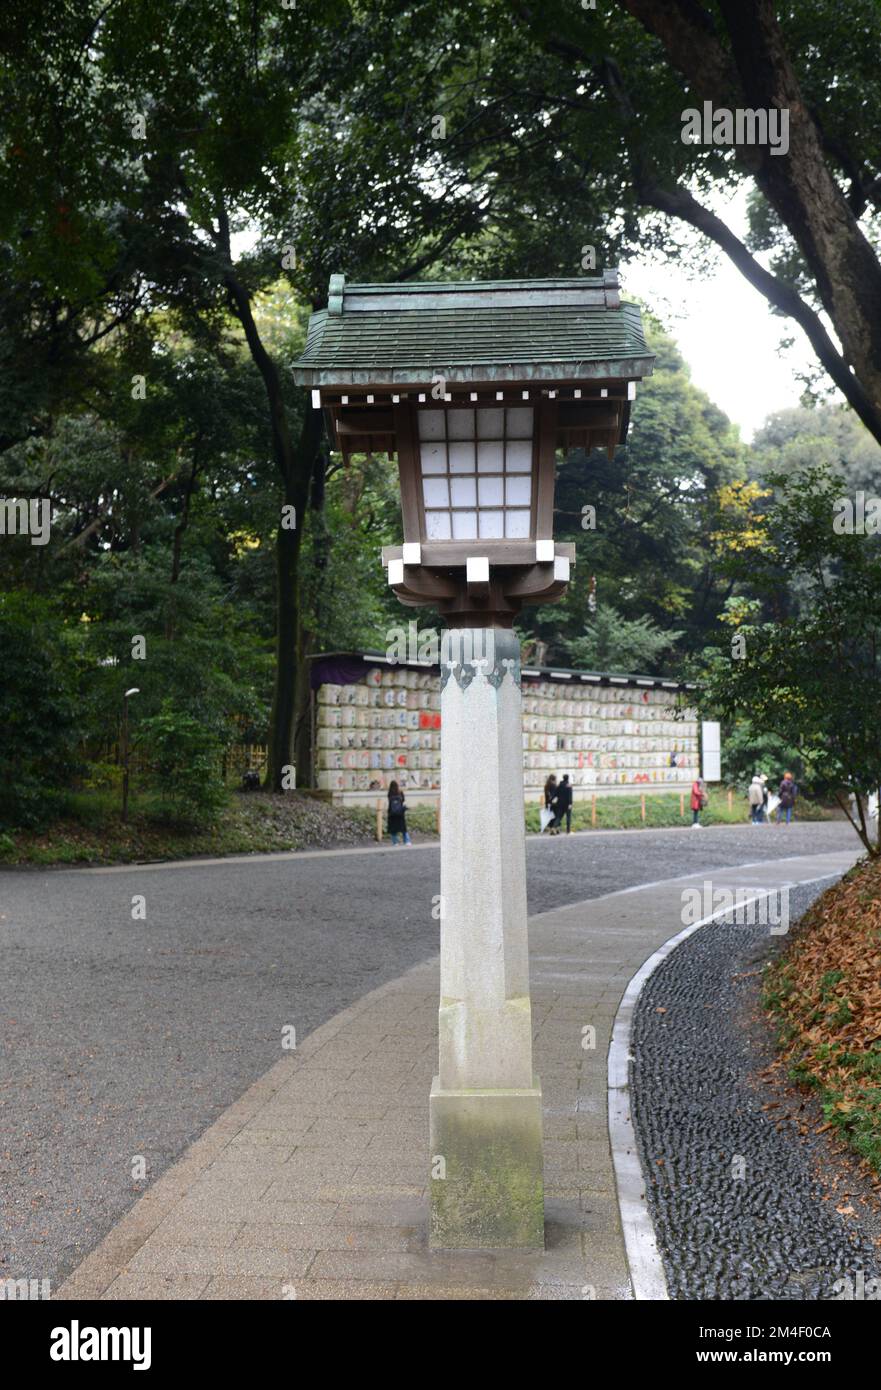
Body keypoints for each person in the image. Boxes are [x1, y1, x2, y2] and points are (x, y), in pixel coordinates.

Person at [387, 779, 411, 845]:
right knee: (403, 828)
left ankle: (395, 842)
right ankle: (407, 841)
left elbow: (390, 803)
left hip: (392, 814)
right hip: (400, 813)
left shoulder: (390, 793)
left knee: (393, 829)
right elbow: (403, 800)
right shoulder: (400, 792)